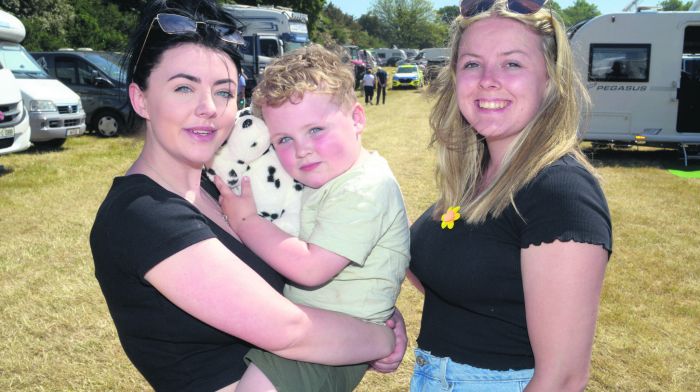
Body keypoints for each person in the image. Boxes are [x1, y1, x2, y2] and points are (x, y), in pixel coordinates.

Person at [89, 1, 406, 391]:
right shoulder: (141, 216)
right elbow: (290, 330)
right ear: (140, 99)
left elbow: (318, 248)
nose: (208, 108)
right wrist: (378, 338)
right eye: (184, 88)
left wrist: (374, 311)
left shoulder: (224, 187)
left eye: (223, 91)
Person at [408, 1, 612, 391]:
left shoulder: (561, 193)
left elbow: (564, 379)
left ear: (551, 80)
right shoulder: (476, 174)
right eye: (471, 64)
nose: (487, 80)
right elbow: (458, 275)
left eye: (512, 63)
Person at [214, 44, 411, 392]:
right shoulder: (328, 177)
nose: (301, 149)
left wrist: (245, 221)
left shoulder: (364, 187)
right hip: (322, 334)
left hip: (335, 341)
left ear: (357, 119)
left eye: (316, 130)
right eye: (284, 139)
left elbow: (310, 268)